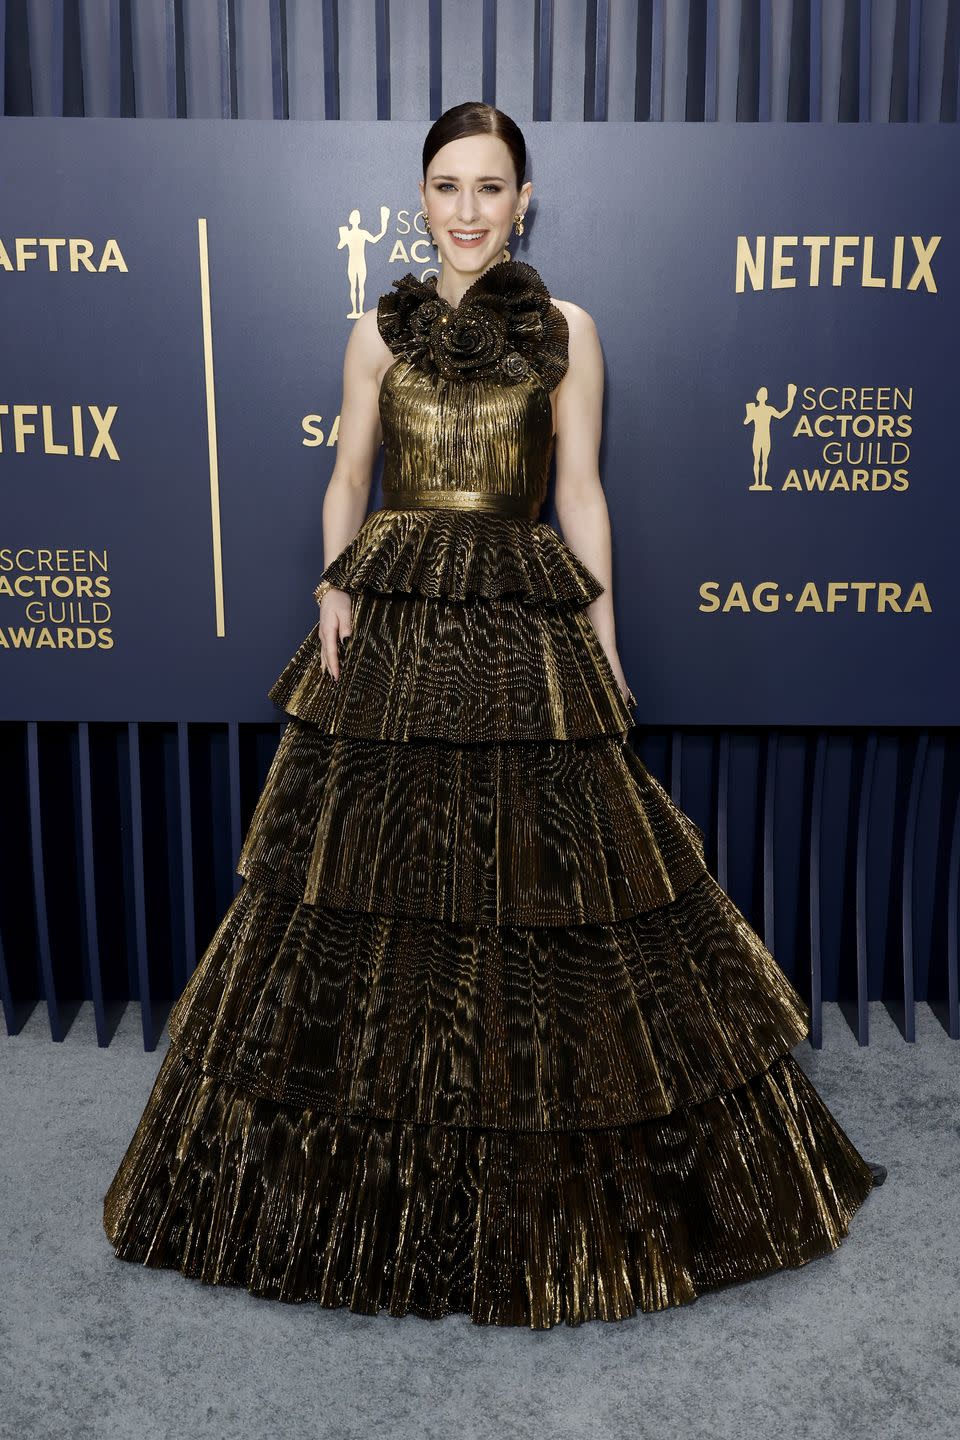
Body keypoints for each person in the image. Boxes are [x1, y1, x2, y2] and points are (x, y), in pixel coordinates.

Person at [102, 100, 885, 1329]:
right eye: (448, 186)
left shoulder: (571, 332)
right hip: (396, 625)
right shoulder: (378, 332)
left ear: (524, 201)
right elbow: (347, 476)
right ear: (420, 198)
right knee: (375, 899)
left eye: (491, 187)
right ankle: (377, 1188)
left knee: (540, 897)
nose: (468, 210)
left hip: (522, 624)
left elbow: (579, 492)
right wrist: (333, 581)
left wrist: (604, 640)